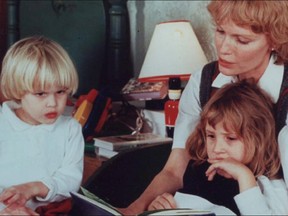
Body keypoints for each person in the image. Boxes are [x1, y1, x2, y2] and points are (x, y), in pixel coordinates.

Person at [121, 1, 288, 214]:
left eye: (242, 40)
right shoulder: (204, 80)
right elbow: (174, 171)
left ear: (274, 41)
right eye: (220, 31)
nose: (223, 49)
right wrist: (135, 209)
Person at [147, 80, 288, 215]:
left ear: (258, 140)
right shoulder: (198, 171)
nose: (217, 148)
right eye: (211, 136)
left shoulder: (269, 185)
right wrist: (160, 208)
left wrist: (244, 176)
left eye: (231, 138)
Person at [0, 36, 84, 214]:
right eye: (40, 93)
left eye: (61, 91)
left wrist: (33, 187)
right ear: (17, 90)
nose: (53, 103)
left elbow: (70, 180)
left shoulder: (71, 129)